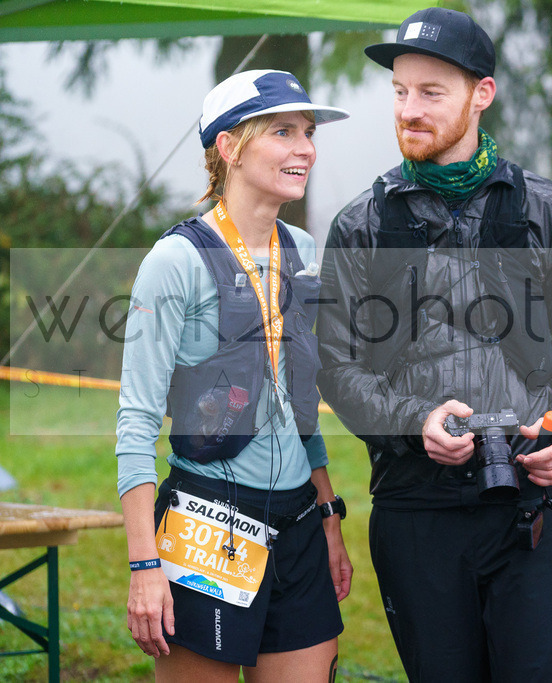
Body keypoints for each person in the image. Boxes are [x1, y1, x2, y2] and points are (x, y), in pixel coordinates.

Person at [316, 7, 552, 681]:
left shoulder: (546, 209)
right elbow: (337, 368)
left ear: (483, 94)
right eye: (399, 91)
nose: (408, 109)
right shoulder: (361, 225)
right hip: (416, 511)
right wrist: (413, 422)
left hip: (533, 506)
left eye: (430, 92)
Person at [116, 69, 352, 681]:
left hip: (299, 524)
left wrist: (328, 517)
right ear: (229, 146)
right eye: (283, 131)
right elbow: (136, 424)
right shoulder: (175, 261)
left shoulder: (300, 248)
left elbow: (298, 404)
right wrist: (145, 567)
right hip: (206, 524)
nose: (305, 147)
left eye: (307, 133)